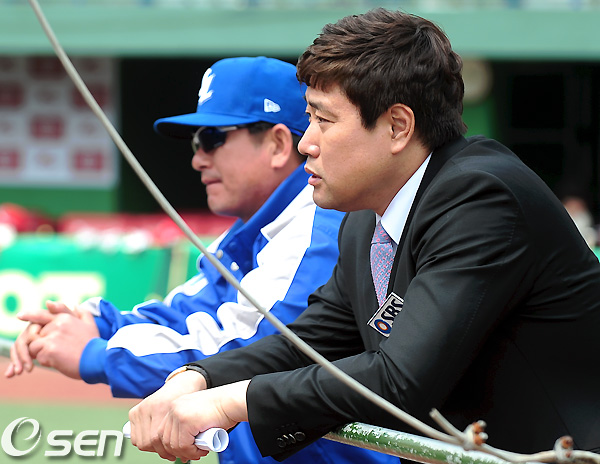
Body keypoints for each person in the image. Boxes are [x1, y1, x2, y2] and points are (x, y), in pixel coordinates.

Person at [126, 9, 600, 464]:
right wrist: (197, 378)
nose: (306, 142)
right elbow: (305, 343)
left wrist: (230, 402)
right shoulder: (367, 219)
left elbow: (400, 379)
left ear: (398, 127)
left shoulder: (480, 198)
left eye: (323, 120)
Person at [5, 56, 399, 464]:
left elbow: (253, 348)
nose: (197, 159)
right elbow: (188, 311)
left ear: (279, 145)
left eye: (212, 138)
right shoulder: (254, 226)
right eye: (196, 142)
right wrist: (98, 322)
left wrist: (97, 354)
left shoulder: (321, 223)